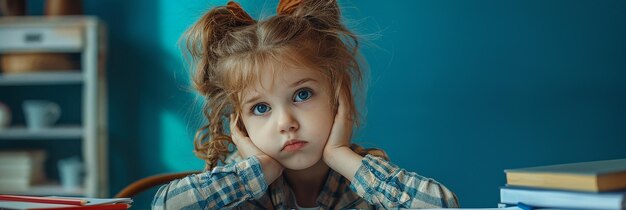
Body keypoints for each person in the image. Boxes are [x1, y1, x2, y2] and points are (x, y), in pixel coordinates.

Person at [152, 0, 459, 209]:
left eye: (302, 95)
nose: (286, 122)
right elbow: (163, 205)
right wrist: (256, 172)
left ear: (338, 95)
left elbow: (444, 205)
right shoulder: (241, 179)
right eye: (261, 108)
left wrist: (341, 156)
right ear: (240, 124)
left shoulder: (362, 179)